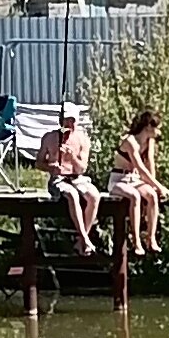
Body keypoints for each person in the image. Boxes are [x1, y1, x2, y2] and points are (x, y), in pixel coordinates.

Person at [33, 103, 101, 250]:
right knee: (72, 194)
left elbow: (82, 168)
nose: (69, 124)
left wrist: (72, 158)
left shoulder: (82, 139)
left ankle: (82, 239)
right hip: (59, 179)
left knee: (94, 195)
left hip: (77, 178)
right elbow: (38, 163)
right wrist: (50, 167)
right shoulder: (50, 137)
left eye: (72, 120)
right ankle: (84, 239)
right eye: (66, 120)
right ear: (60, 121)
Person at [104, 104, 163, 257]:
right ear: (148, 126)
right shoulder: (130, 141)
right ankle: (136, 241)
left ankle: (151, 238)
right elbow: (140, 167)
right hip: (119, 179)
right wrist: (159, 185)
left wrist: (154, 186)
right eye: (157, 128)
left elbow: (149, 164)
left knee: (152, 196)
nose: (159, 132)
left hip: (134, 178)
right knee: (134, 196)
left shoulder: (149, 142)